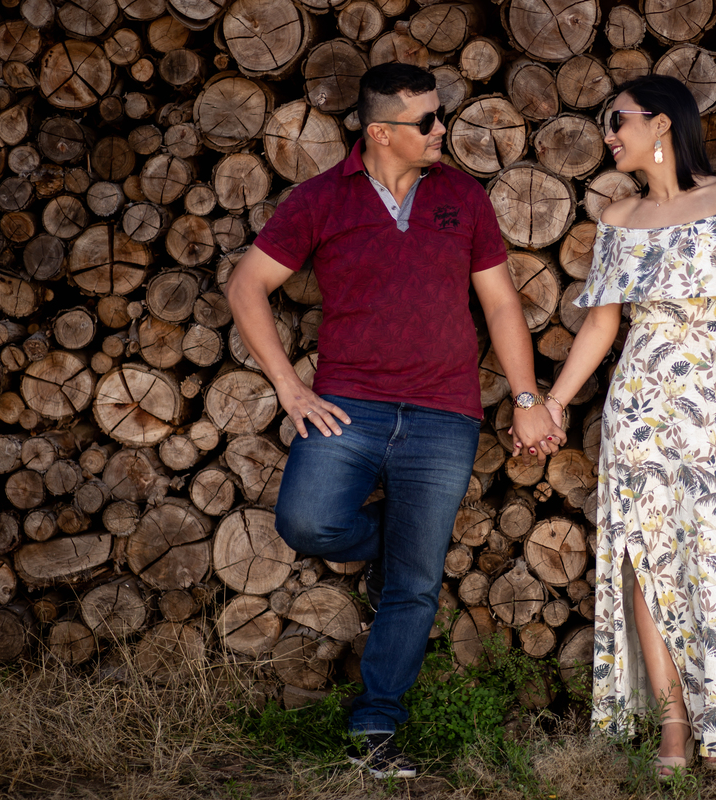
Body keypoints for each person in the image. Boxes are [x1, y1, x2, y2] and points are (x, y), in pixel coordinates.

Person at [226, 62, 566, 779]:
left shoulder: (462, 197)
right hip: (349, 406)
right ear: (380, 132)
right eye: (427, 121)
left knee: (414, 583)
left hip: (444, 414)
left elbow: (501, 302)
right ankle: (397, 543)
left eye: (440, 115)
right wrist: (290, 388)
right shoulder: (321, 199)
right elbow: (247, 284)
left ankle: (377, 722)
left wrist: (527, 397)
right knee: (307, 522)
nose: (442, 129)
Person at [542, 75, 716, 775]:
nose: (608, 135)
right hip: (639, 414)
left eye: (617, 120)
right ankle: (674, 724)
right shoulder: (618, 218)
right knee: (645, 562)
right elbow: (602, 326)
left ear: (661, 123)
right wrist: (555, 402)